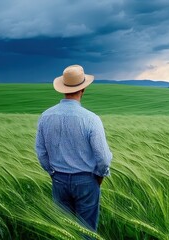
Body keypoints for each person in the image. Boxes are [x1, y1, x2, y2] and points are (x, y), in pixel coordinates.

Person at [35, 64, 112, 233]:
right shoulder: (91, 119)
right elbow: (103, 158)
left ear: (63, 88)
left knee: (64, 231)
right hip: (86, 180)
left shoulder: (45, 116)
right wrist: (100, 176)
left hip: (59, 181)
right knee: (86, 232)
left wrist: (53, 173)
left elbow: (41, 152)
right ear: (83, 89)